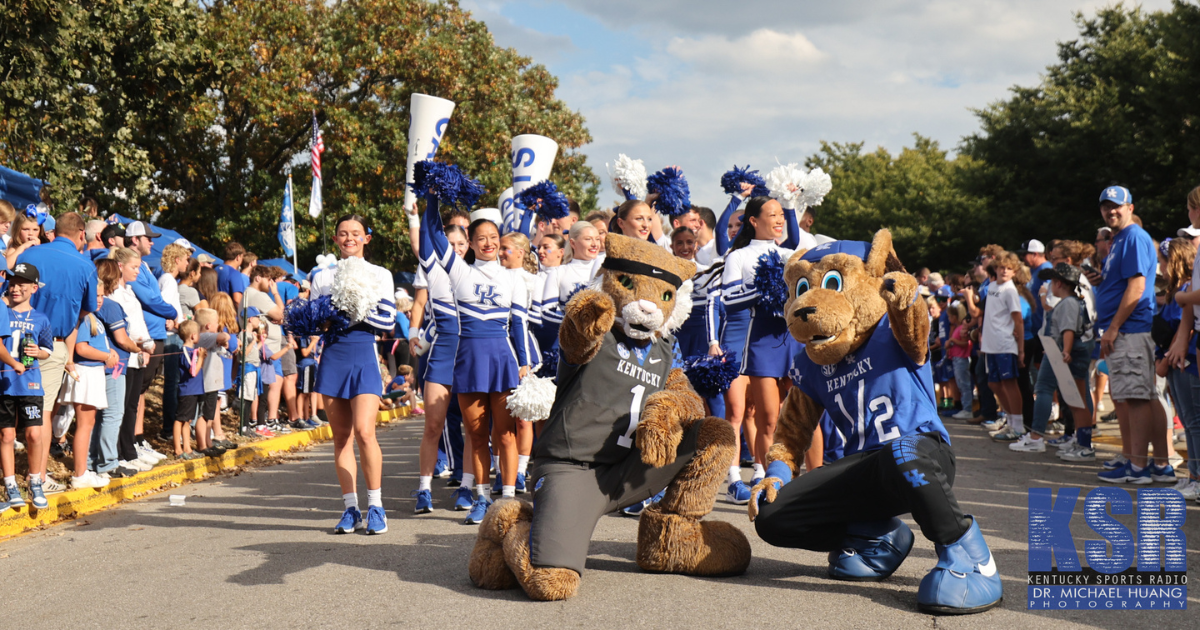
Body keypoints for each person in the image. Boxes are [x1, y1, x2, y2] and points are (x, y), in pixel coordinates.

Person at [420, 197, 531, 525]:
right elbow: (433, 232)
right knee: (477, 435)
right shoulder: (458, 271)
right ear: (470, 243)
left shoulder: (514, 279)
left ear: (500, 242)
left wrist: (524, 363)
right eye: (480, 238)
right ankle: (482, 497)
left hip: (502, 361)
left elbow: (520, 325)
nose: (488, 243)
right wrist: (432, 199)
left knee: (505, 435)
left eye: (493, 238)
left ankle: (508, 499)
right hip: (468, 361)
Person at [312, 214, 395, 535]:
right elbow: (314, 321)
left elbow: (387, 320)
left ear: (366, 238)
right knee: (341, 437)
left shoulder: (380, 274)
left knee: (365, 432)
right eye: (343, 233)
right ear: (335, 240)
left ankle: (376, 506)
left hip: (363, 354)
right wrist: (317, 315)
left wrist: (353, 305)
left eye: (356, 233)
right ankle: (351, 509)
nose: (349, 238)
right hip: (333, 355)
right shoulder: (322, 276)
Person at [1082, 186, 1171, 484]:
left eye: (1117, 206)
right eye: (1106, 207)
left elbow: (1136, 286)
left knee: (1135, 398)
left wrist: (1114, 327)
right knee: (1143, 396)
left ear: (1130, 207)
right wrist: (1101, 279)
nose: (1111, 211)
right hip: (1127, 329)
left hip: (1130, 330)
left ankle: (1137, 466)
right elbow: (1123, 283)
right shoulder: (1119, 238)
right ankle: (1158, 464)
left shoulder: (1132, 236)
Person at [719, 196, 801, 505]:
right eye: (772, 214)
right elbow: (728, 300)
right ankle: (769, 484)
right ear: (753, 220)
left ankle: (797, 480)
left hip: (793, 341)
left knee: (798, 417)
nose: (779, 220)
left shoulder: (791, 254)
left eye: (782, 215)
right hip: (760, 341)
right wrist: (763, 289)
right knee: (766, 418)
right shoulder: (738, 256)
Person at [16, 212, 98, 494]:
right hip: (52, 343)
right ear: (80, 233)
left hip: (18, 336)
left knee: (21, 405)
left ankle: (31, 473)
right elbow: (86, 310)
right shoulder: (85, 265)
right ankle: (36, 477)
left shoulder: (33, 254)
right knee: (42, 410)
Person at [1011, 264, 1095, 454]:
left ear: (1058, 283)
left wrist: (1064, 350)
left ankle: (1074, 442)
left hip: (1063, 353)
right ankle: (1080, 441)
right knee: (1073, 397)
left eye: (1052, 283)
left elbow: (1068, 330)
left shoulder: (1068, 303)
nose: (1050, 287)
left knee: (1066, 395)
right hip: (1057, 351)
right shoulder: (1070, 302)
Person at [2, 263, 54, 507]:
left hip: (30, 385)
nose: (15, 289)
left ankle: (36, 481)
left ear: (34, 288)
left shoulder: (41, 318)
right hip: (4, 384)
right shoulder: (2, 311)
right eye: (12, 284)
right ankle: (10, 484)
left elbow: (48, 350)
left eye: (21, 285)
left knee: (33, 434)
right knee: (7, 435)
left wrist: (38, 352)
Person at [124, 221, 176, 461]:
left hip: (156, 334)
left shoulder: (144, 265)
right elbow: (149, 299)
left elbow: (154, 297)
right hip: (146, 335)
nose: (152, 243)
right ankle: (130, 442)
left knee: (142, 390)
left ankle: (139, 437)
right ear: (135, 239)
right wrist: (173, 313)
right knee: (135, 392)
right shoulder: (130, 266)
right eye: (148, 238)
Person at [105, 248, 161, 473]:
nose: (138, 272)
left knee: (132, 406)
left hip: (138, 355)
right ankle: (120, 453)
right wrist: (141, 344)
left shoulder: (129, 291)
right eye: (134, 267)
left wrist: (146, 345)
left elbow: (138, 323)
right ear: (120, 267)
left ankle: (130, 451)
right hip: (124, 357)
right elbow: (123, 328)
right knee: (121, 407)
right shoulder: (114, 294)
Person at [58, 284, 116, 489]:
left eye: (101, 295)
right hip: (86, 372)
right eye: (95, 295)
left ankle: (83, 470)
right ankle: (80, 473)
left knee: (88, 423)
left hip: (95, 372)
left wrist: (110, 354)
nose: (99, 299)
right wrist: (106, 356)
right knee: (84, 424)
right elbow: (82, 347)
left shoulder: (94, 317)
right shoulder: (82, 318)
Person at [90, 259, 142, 479]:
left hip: (98, 366)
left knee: (97, 416)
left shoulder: (95, 304)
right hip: (114, 367)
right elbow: (121, 339)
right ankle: (108, 462)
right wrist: (138, 348)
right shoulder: (110, 306)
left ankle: (93, 459)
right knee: (112, 414)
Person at [979, 253, 1026, 440]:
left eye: (1009, 268)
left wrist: (1020, 348)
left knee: (1009, 384)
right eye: (1001, 267)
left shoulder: (1010, 290)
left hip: (1005, 343)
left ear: (1014, 272)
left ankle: (1018, 426)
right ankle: (1010, 420)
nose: (1004, 270)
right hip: (991, 345)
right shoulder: (991, 286)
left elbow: (1018, 320)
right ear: (996, 269)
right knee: (993, 384)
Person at [538, 221, 602, 358]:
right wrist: (577, 326)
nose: (595, 244)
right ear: (572, 243)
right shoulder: (559, 272)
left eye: (597, 239)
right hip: (568, 348)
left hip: (600, 347)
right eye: (588, 239)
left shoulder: (606, 271)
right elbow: (546, 312)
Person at [244, 266, 286, 427]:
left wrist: (279, 317)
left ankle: (266, 420)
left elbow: (280, 316)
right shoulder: (258, 295)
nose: (271, 284)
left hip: (269, 345)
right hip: (267, 348)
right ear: (258, 278)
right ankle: (265, 420)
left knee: (270, 384)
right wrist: (275, 294)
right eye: (269, 280)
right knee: (268, 385)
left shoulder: (253, 294)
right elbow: (280, 314)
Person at [157, 242, 190, 442]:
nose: (188, 263)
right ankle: (169, 428)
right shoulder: (169, 280)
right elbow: (169, 312)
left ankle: (171, 427)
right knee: (173, 383)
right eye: (186, 259)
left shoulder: (167, 280)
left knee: (173, 382)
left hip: (173, 335)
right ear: (177, 260)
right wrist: (180, 323)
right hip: (172, 338)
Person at [193, 308, 232, 457]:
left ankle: (208, 442)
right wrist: (225, 338)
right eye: (216, 323)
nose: (219, 326)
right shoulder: (205, 336)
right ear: (209, 325)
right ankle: (202, 444)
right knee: (204, 415)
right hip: (207, 382)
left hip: (213, 383)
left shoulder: (208, 337)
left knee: (209, 415)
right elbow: (224, 336)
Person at [172, 320, 205, 460]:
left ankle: (187, 447)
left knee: (188, 420)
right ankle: (177, 449)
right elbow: (193, 371)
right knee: (180, 419)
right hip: (187, 391)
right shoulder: (186, 350)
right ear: (193, 336)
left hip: (194, 390)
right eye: (198, 334)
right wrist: (201, 358)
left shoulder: (193, 351)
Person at [945, 302, 975, 420]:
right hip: (956, 359)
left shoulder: (963, 328)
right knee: (961, 385)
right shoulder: (957, 327)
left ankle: (968, 409)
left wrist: (952, 340)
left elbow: (966, 343)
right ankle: (965, 407)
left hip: (962, 359)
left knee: (964, 385)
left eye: (951, 316)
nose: (949, 319)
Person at [216, 242, 247, 308]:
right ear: (238, 257)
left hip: (214, 310)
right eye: (242, 257)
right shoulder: (234, 273)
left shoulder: (215, 269)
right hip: (228, 313)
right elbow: (237, 300)